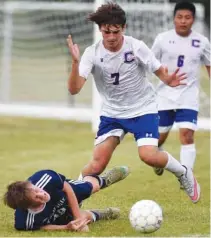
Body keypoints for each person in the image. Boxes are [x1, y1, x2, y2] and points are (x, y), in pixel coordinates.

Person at [66, 2, 200, 203]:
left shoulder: (136, 47)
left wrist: (168, 80)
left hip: (142, 109)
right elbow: (74, 89)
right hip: (112, 113)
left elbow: (158, 70)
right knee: (96, 166)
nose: (111, 37)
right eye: (106, 32)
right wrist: (76, 63)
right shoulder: (92, 53)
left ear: (124, 28)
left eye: (115, 32)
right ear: (100, 30)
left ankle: (183, 172)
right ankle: (74, 198)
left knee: (148, 156)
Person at [151, 1, 210, 177]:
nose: (183, 21)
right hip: (164, 95)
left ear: (193, 19)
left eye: (187, 17)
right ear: (174, 19)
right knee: (159, 138)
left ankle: (186, 176)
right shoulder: (162, 39)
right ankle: (157, 156)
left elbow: (209, 65)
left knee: (187, 135)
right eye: (180, 17)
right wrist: (163, 77)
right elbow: (150, 63)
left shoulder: (202, 41)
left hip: (188, 96)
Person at [3, 166, 129, 231]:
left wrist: (77, 218)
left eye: (37, 190)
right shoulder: (23, 221)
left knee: (91, 188)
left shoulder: (45, 178)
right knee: (82, 220)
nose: (42, 194)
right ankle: (102, 214)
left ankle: (102, 180)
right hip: (59, 214)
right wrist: (66, 228)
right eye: (36, 198)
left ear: (32, 184)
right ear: (28, 207)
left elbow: (66, 188)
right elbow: (39, 227)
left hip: (65, 193)